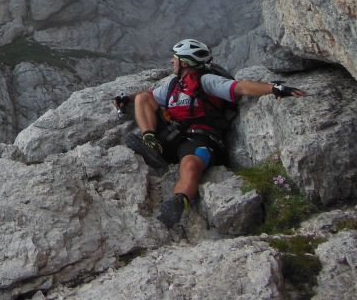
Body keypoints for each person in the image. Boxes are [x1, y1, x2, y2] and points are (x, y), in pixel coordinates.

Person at [113, 38, 306, 229]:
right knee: (142, 98)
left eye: (175, 58)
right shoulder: (175, 85)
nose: (172, 62)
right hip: (175, 135)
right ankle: (150, 141)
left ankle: (179, 201)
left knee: (190, 165)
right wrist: (126, 99)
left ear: (185, 62)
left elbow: (240, 87)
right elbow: (147, 97)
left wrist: (274, 88)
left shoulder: (207, 81)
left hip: (202, 138)